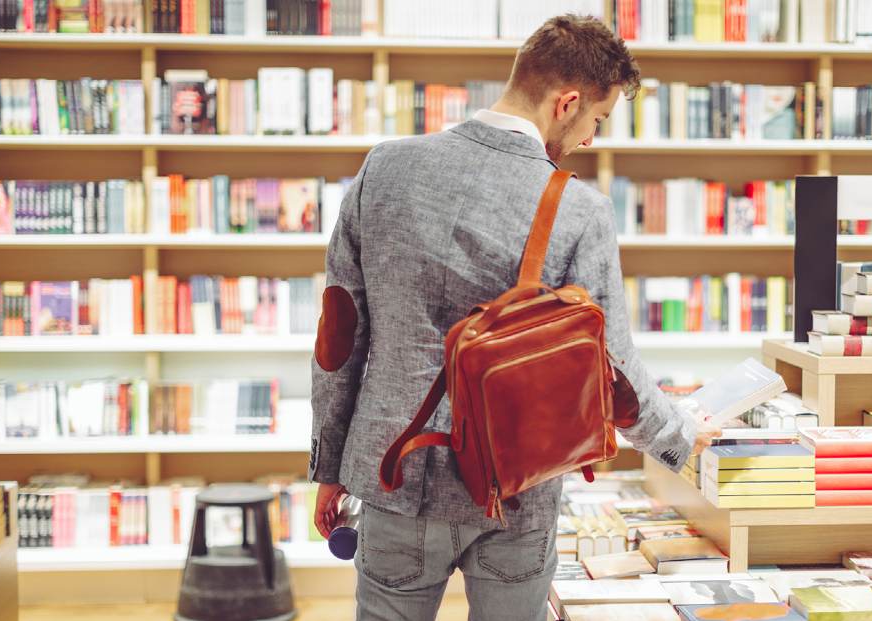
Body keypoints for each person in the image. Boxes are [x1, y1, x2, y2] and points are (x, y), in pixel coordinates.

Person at [309, 13, 723, 621]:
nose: (589, 139)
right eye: (596, 121)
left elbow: (339, 337)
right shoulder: (580, 210)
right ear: (568, 102)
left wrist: (329, 464)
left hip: (392, 474)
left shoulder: (384, 168)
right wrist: (681, 437)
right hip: (516, 489)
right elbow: (613, 373)